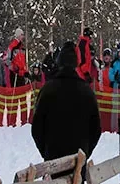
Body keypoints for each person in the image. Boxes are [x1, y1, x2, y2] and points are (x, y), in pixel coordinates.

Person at [31, 41, 101, 180]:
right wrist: (85, 152)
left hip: (53, 160)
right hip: (78, 161)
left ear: (59, 63)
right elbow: (96, 129)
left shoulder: (48, 90)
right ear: (76, 64)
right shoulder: (86, 91)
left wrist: (47, 152)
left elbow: (37, 128)